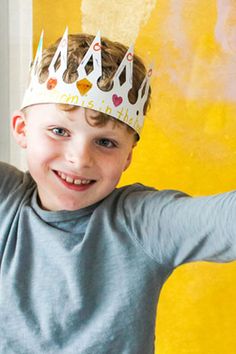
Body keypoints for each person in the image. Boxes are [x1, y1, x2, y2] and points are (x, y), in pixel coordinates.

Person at [0, 31, 235, 354]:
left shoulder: (141, 223)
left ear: (127, 157)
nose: (80, 159)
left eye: (105, 142)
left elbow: (224, 220)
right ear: (22, 129)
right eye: (59, 131)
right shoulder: (6, 200)